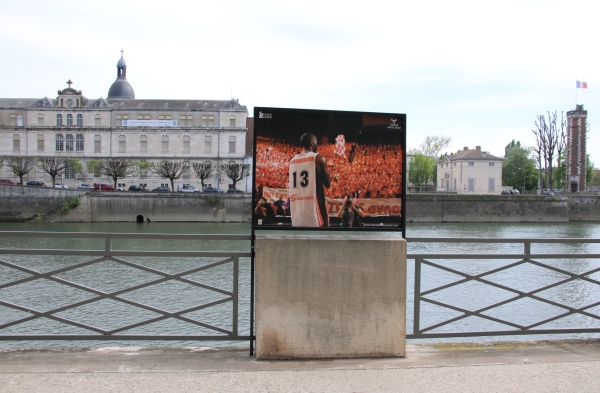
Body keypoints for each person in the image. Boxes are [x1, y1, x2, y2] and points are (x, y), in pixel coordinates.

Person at [288, 133, 331, 227]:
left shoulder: (292, 161)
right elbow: (328, 184)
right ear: (312, 143)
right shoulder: (319, 158)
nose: (317, 144)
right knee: (322, 236)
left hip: (297, 209)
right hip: (314, 207)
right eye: (316, 142)